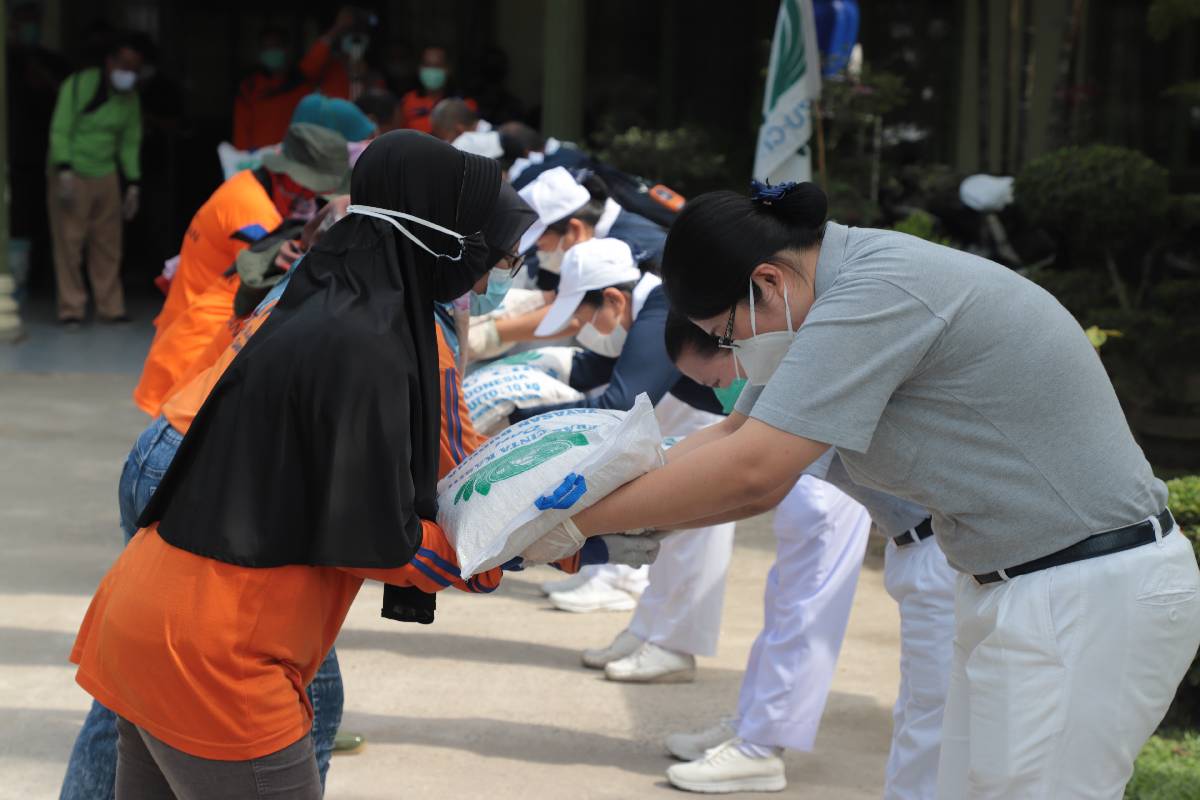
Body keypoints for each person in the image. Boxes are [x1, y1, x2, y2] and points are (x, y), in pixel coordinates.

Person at [566, 180, 1200, 798]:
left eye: (727, 334)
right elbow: (732, 435)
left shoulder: (877, 292)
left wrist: (575, 526)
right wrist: (581, 497)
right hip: (1021, 583)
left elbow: (756, 474)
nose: (732, 353)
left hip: (1082, 591)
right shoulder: (832, 289)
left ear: (767, 282)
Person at [68, 132, 648, 796]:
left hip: (143, 612)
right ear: (442, 240)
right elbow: (387, 531)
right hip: (218, 660)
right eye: (492, 253)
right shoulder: (380, 349)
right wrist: (536, 539)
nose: (491, 276)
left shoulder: (316, 299)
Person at [661, 317, 956, 797]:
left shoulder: (809, 372)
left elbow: (750, 488)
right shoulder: (780, 372)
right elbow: (729, 436)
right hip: (919, 543)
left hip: (938, 545)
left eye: (714, 381)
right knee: (788, 609)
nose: (715, 394)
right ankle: (753, 728)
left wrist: (625, 521)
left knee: (927, 713)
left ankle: (761, 744)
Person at [512, 238, 735, 682]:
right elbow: (600, 370)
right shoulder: (646, 303)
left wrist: (520, 423)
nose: (583, 326)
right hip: (707, 424)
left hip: (726, 426)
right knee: (672, 535)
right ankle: (650, 628)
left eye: (587, 314)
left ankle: (675, 646)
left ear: (614, 298)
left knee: (693, 543)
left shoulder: (659, 309)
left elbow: (617, 402)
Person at [132, 123, 350, 417]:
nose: (317, 196)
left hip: (198, 328)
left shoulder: (247, 184)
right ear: (288, 175)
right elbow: (265, 279)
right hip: (200, 343)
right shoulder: (252, 210)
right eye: (314, 186)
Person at [469, 167, 667, 361]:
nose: (540, 251)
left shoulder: (623, 247)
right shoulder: (604, 230)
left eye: (539, 242)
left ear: (574, 229)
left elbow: (577, 315)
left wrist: (493, 334)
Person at [46, 34, 143, 326]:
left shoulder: (130, 98)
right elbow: (61, 128)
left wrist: (133, 182)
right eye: (125, 65)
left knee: (108, 244)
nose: (130, 73)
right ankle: (71, 309)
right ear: (109, 63)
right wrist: (63, 167)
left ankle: (110, 307)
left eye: (135, 68)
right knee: (69, 242)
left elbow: (129, 141)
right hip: (71, 171)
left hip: (107, 173)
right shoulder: (77, 85)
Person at [232, 26, 313, 151]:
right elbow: (241, 132)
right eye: (266, 47)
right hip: (258, 161)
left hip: (295, 161)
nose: (270, 52)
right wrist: (244, 160)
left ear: (286, 49)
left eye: (275, 46)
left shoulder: (303, 85)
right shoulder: (249, 88)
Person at [297, 6, 384, 102]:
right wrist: (337, 28)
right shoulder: (327, 68)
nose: (355, 37)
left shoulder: (374, 77)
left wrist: (364, 78)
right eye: (350, 32)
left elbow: (377, 109)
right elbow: (307, 69)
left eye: (360, 32)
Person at [399, 45, 474, 134]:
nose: (432, 70)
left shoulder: (464, 104)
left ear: (448, 69)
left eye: (437, 66)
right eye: (428, 65)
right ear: (419, 68)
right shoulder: (407, 100)